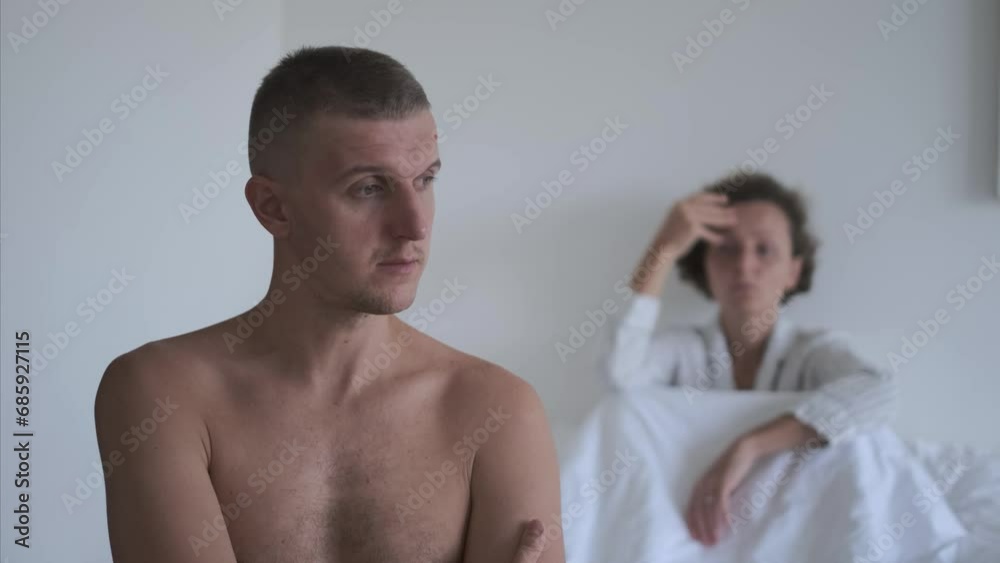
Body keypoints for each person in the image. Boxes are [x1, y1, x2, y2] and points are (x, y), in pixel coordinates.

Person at [95, 46, 564, 563]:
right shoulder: (162, 393)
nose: (416, 226)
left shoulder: (497, 411)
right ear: (273, 208)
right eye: (369, 188)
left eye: (425, 181)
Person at [603, 173, 899, 547]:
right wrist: (662, 249)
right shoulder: (685, 351)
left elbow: (878, 393)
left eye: (764, 250)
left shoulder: (811, 353)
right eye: (727, 248)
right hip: (695, 536)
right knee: (617, 411)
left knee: (865, 440)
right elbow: (619, 375)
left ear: (793, 270)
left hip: (799, 538)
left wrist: (750, 446)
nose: (744, 265)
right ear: (704, 265)